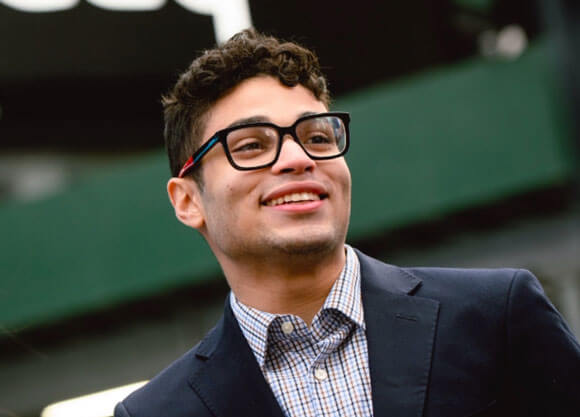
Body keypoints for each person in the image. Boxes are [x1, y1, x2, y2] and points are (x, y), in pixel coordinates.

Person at [115, 29, 580, 417]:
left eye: (317, 136)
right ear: (188, 200)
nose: (297, 158)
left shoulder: (495, 316)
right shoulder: (156, 413)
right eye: (252, 145)